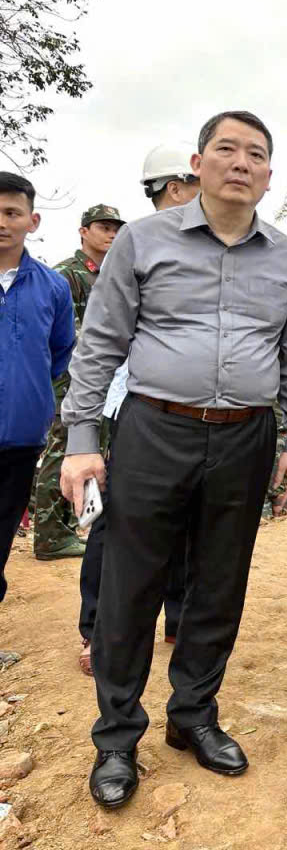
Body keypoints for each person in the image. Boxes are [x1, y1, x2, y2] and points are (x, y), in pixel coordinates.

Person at [60, 110, 287, 809]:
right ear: (198, 165)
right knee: (131, 584)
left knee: (219, 583)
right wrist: (82, 441)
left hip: (246, 437)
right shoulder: (143, 241)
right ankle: (117, 737)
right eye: (226, 149)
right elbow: (100, 342)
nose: (241, 163)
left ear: (269, 175)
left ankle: (193, 716)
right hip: (154, 429)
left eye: (255, 154)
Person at [78, 152, 201, 677]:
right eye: (197, 180)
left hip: (186, 411)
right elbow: (100, 341)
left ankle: (177, 617)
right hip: (130, 405)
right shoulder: (139, 244)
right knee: (119, 521)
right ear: (176, 187)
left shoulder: (209, 247)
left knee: (188, 514)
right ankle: (96, 627)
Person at [0, 172, 75, 667]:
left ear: (33, 220)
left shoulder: (53, 287)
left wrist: (27, 397)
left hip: (20, 440)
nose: (2, 222)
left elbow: (59, 352)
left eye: (11, 213)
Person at [28, 204, 123, 561]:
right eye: (103, 227)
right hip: (69, 378)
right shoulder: (66, 274)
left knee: (94, 449)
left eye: (115, 228)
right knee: (63, 450)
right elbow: (55, 330)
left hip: (104, 381)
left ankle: (76, 526)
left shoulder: (110, 275)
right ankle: (51, 535)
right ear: (83, 231)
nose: (111, 234)